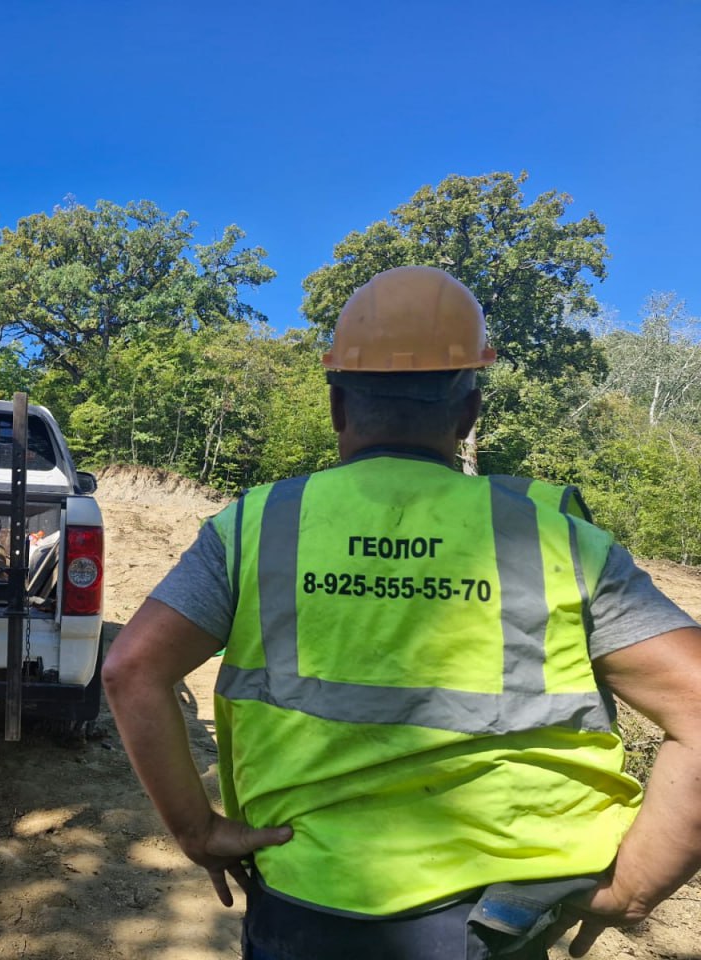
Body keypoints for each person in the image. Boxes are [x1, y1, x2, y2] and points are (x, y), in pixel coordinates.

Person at [102, 266, 701, 959]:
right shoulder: (558, 538)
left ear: (337, 407)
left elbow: (131, 669)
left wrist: (197, 832)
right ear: (469, 413)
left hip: (304, 894)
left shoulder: (258, 526)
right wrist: (635, 888)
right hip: (498, 918)